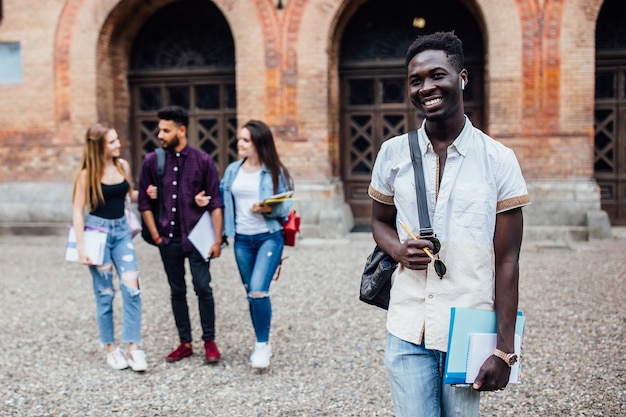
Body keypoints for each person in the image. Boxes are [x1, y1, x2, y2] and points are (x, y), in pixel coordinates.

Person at [368, 31, 531, 417]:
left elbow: (507, 261)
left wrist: (505, 351)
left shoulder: (499, 159)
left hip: (468, 327)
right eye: (415, 80)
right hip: (408, 323)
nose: (426, 87)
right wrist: (396, 250)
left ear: (462, 76)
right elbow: (379, 223)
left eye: (436, 75)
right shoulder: (393, 154)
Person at [138, 105, 224, 364]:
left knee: (202, 288)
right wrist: (155, 236)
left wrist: (217, 239)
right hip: (168, 238)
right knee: (177, 290)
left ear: (182, 130)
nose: (160, 135)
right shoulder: (152, 161)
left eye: (166, 130)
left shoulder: (203, 161)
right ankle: (184, 342)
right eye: (159, 130)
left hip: (198, 237)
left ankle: (209, 341)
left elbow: (216, 203)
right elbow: (143, 202)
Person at [71, 122, 147, 372]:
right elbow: (78, 211)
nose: (118, 144)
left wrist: (148, 193)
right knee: (105, 294)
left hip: (122, 231)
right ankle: (111, 348)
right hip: (97, 234)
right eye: (112, 141)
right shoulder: (86, 175)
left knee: (132, 288)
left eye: (117, 140)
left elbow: (129, 195)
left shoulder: (122, 165)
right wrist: (81, 248)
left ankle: (134, 347)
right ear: (98, 147)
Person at [220, 120, 293, 369]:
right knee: (251, 294)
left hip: (268, 236)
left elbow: (287, 205)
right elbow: (222, 200)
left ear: (259, 144)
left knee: (258, 290)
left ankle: (262, 346)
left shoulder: (275, 171)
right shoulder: (232, 170)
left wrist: (268, 208)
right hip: (241, 240)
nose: (239, 144)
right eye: (239, 139)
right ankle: (261, 341)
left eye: (245, 140)